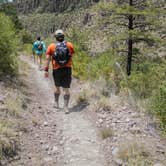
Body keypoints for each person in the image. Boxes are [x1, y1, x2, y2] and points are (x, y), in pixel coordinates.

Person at [44, 30, 75, 114]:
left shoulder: (51, 46)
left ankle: (56, 103)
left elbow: (47, 59)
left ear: (56, 37)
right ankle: (66, 107)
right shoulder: (69, 45)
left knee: (57, 87)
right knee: (66, 89)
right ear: (63, 36)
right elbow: (71, 56)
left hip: (56, 70)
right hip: (67, 69)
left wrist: (46, 70)